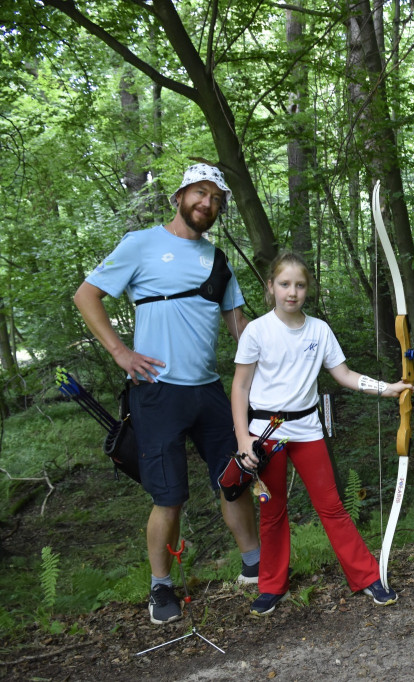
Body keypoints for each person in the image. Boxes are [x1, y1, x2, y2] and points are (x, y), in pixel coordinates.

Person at [73, 163, 259, 626]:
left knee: (235, 479)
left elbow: (240, 327)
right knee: (169, 495)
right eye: (200, 194)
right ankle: (161, 588)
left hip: (211, 391)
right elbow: (86, 295)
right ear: (179, 197)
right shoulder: (141, 244)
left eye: (216, 199)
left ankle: (255, 566)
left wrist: (286, 351)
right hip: (156, 392)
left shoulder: (217, 260)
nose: (207, 204)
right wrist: (120, 352)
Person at [231, 251, 410, 615]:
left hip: (308, 428)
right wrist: (243, 439)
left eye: (299, 285)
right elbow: (240, 388)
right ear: (271, 287)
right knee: (273, 511)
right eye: (284, 284)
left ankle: (366, 577)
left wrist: (387, 388)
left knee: (331, 507)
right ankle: (271, 586)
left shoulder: (319, 330)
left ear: (307, 289)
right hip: (265, 432)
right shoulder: (257, 330)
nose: (292, 292)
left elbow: (343, 375)